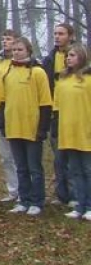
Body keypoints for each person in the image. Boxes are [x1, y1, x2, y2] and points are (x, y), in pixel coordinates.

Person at [1, 36, 52, 216]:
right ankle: (24, 199)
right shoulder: (9, 72)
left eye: (20, 49)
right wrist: (3, 124)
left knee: (34, 167)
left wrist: (42, 128)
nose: (16, 52)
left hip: (32, 127)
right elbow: (3, 100)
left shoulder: (38, 72)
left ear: (28, 51)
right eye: (14, 50)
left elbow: (46, 102)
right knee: (20, 167)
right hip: (13, 127)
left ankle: (37, 200)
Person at [54, 43, 91, 220]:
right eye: (68, 55)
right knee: (75, 170)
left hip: (86, 131)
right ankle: (79, 204)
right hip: (68, 132)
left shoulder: (88, 79)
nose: (69, 58)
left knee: (87, 169)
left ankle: (90, 205)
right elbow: (58, 107)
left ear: (82, 57)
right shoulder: (62, 80)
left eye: (73, 55)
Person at [42, 23, 76, 206]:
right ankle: (61, 194)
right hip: (55, 112)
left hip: (75, 112)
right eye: (55, 33)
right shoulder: (50, 59)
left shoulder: (79, 57)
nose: (57, 37)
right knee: (59, 156)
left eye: (61, 33)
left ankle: (76, 194)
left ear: (70, 36)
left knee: (74, 157)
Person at [0, 30, 20, 202]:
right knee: (5, 154)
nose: (5, 42)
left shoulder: (21, 63)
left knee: (18, 153)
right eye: (3, 39)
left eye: (8, 39)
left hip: (15, 108)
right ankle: (13, 189)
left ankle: (25, 189)